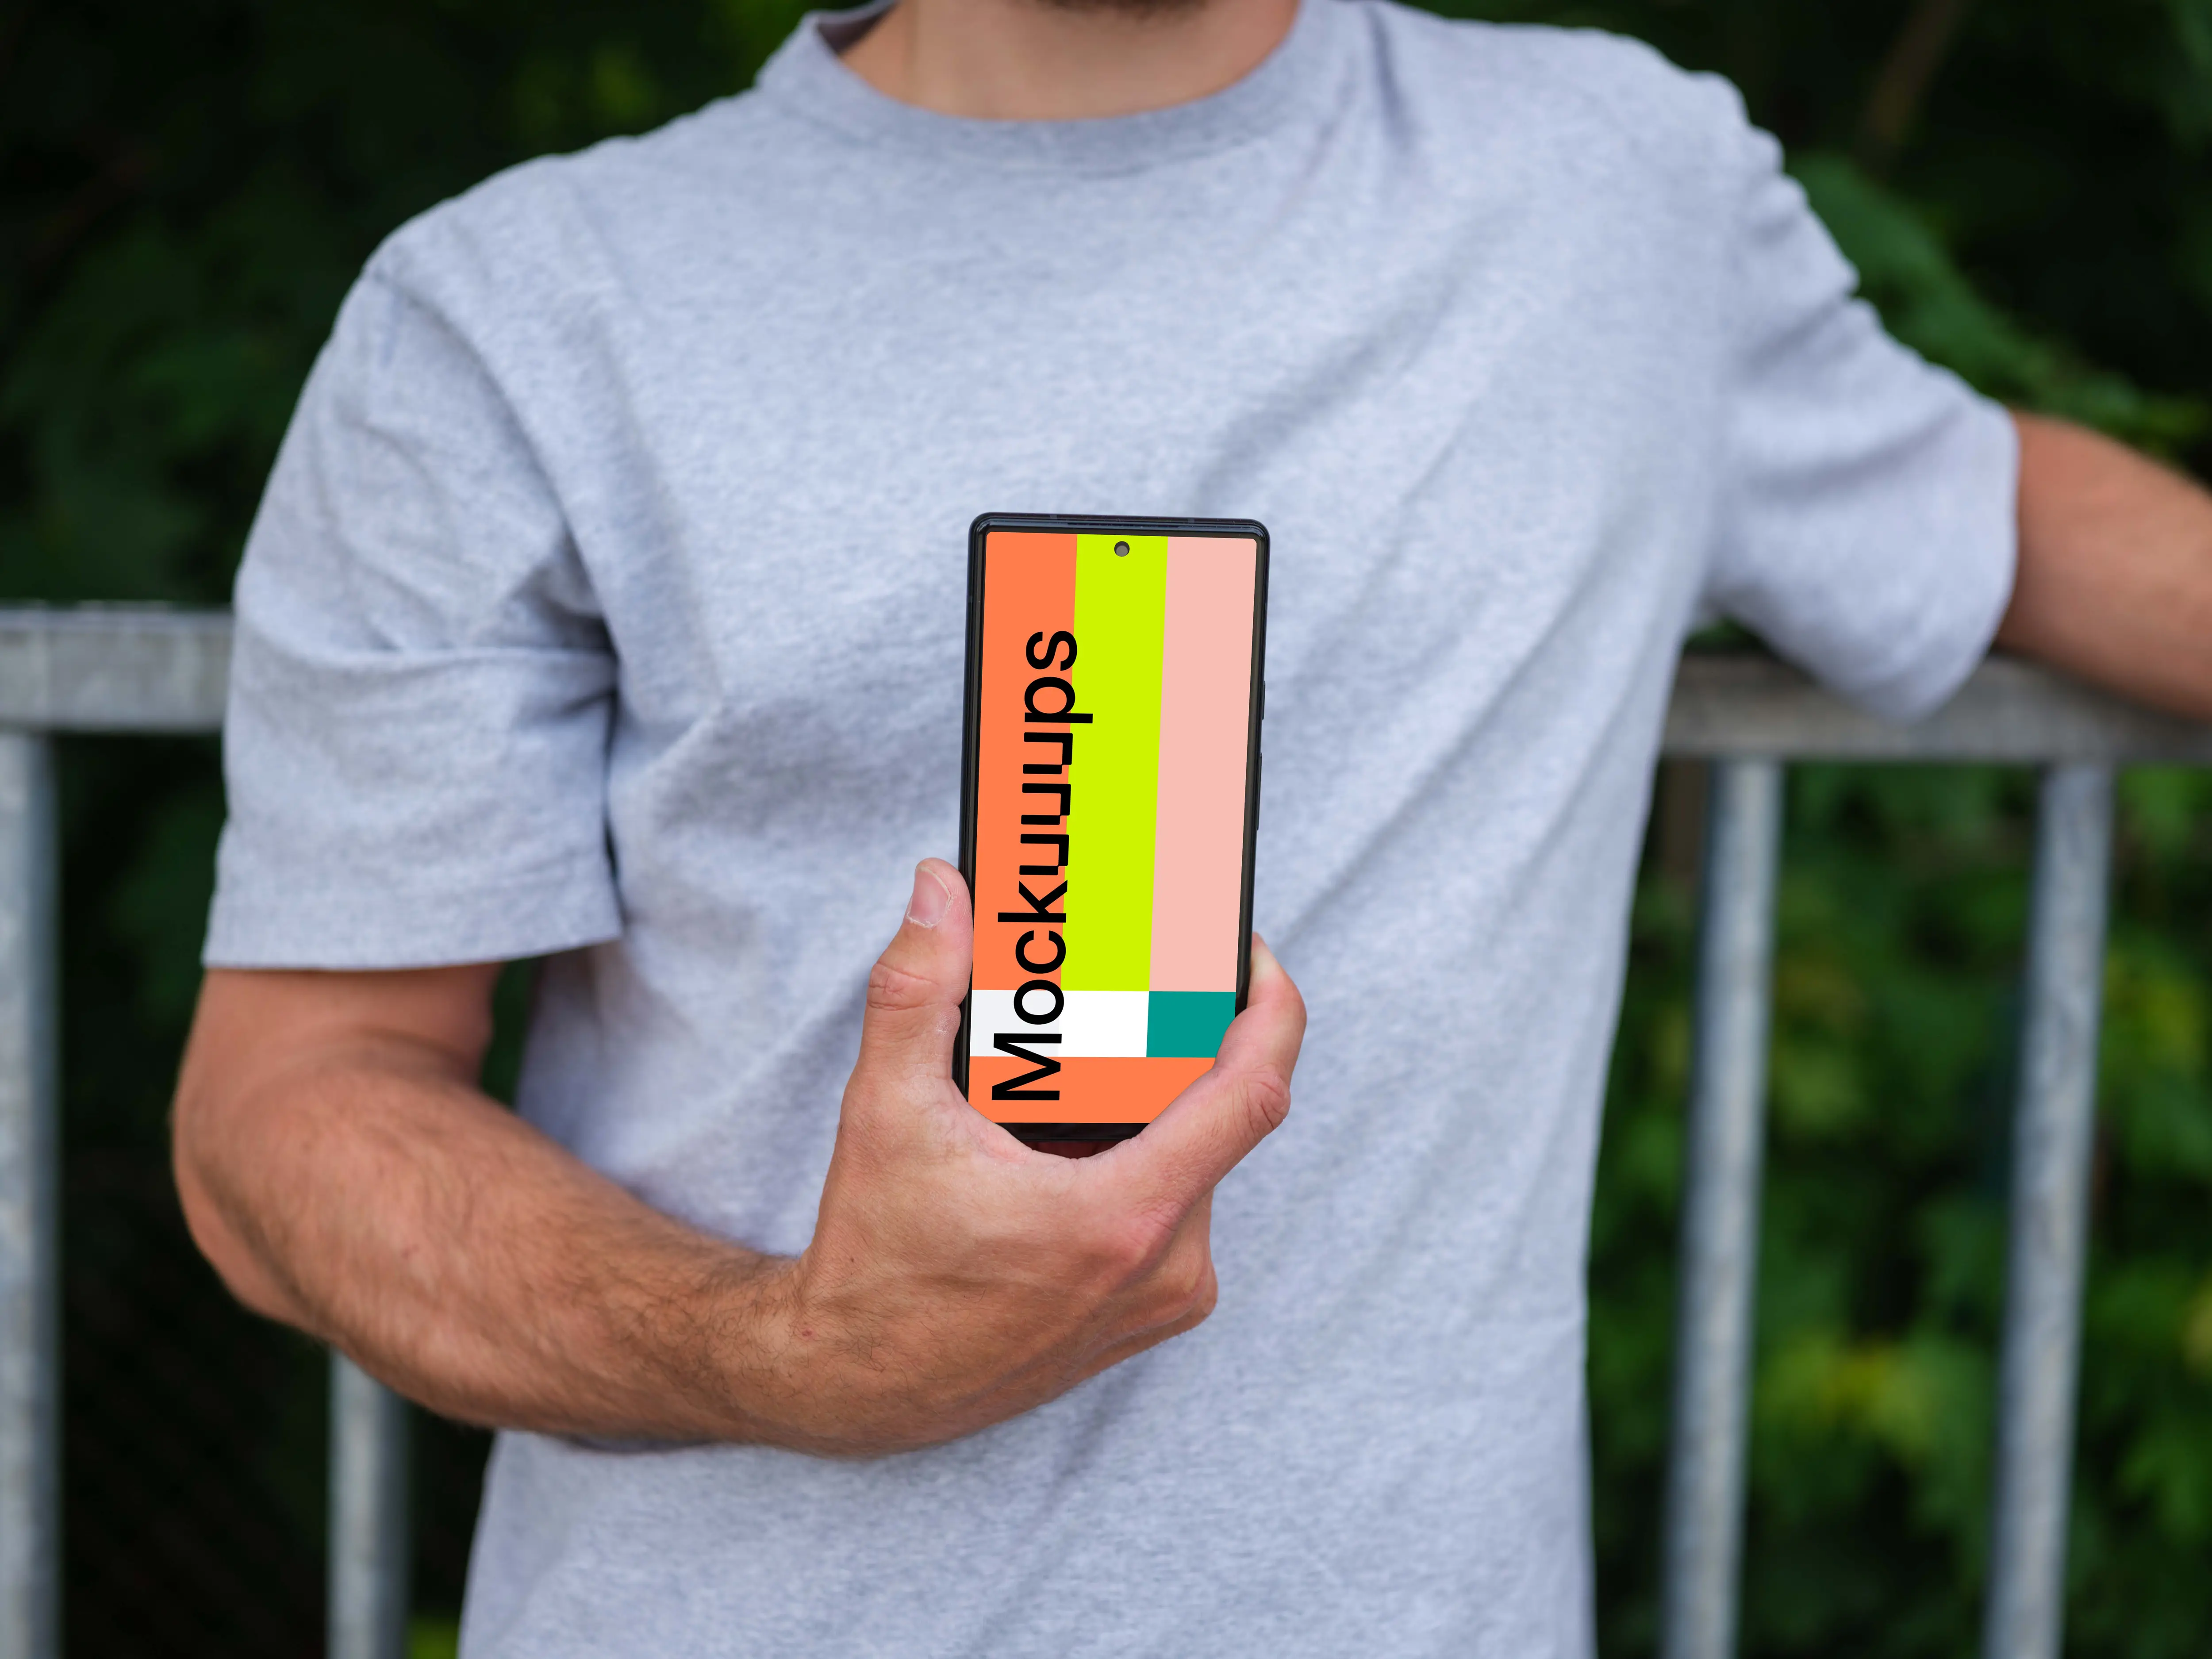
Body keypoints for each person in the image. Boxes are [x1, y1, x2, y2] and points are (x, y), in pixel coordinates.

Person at [170, 0, 2212, 1650]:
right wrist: (792, 1349)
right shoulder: (512, 311)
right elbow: (286, 1115)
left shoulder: (1617, 195)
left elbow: (1987, 510)